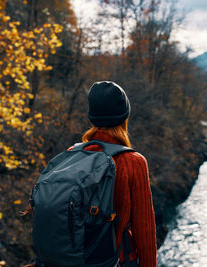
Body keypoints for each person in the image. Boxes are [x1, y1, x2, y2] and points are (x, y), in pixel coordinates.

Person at [78, 81, 157, 266]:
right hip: (116, 259)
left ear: (92, 117)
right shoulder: (134, 162)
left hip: (76, 257)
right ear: (124, 118)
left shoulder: (72, 154)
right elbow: (144, 230)